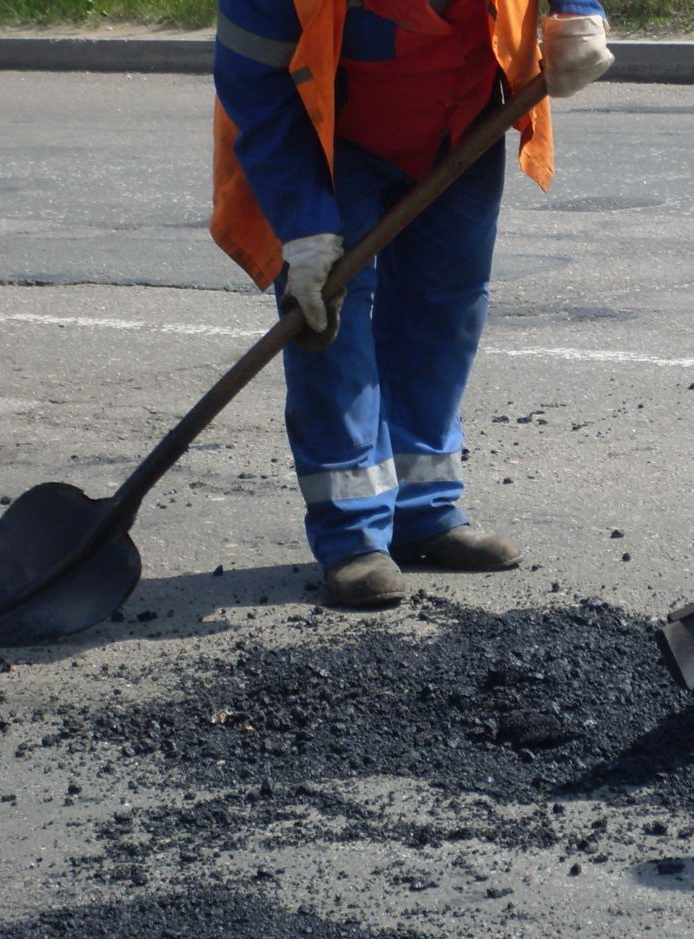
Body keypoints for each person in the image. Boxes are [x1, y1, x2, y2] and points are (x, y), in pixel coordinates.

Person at [210, 0, 613, 606]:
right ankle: (353, 537)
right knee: (331, 321)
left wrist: (579, 11)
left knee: (444, 310)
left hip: (464, 120)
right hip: (331, 141)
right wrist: (305, 227)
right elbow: (256, 90)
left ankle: (424, 512)